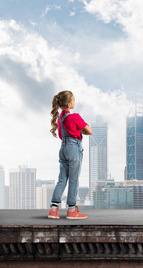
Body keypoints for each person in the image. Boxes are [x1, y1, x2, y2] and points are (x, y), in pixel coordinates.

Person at [48, 90, 93, 220]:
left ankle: (53, 209)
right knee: (74, 180)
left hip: (63, 148)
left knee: (62, 179)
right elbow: (89, 131)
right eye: (73, 100)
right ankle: (72, 210)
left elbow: (62, 136)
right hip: (74, 148)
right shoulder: (75, 117)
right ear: (68, 104)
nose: (74, 102)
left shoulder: (60, 119)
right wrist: (81, 128)